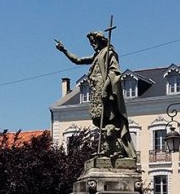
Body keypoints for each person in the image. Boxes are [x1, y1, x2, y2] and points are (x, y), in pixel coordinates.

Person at [55, 31, 136, 159]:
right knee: (100, 121)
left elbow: (114, 72)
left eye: (94, 41)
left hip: (106, 94)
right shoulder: (97, 56)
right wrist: (64, 50)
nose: (92, 44)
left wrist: (105, 88)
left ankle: (116, 149)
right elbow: (77, 60)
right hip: (96, 93)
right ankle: (107, 149)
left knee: (110, 121)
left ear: (101, 40)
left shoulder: (109, 53)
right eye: (91, 43)